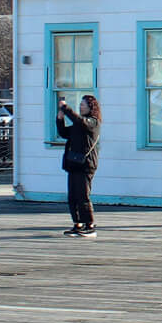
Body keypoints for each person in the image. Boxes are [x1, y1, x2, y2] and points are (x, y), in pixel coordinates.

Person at [57, 95, 101, 237]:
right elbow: (64, 133)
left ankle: (90, 225)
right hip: (74, 163)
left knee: (83, 195)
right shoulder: (78, 123)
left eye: (83, 105)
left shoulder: (93, 122)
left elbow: (80, 121)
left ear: (91, 107)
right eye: (80, 104)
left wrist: (65, 107)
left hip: (86, 164)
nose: (81, 107)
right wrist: (60, 118)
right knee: (73, 196)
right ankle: (78, 223)